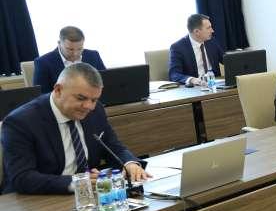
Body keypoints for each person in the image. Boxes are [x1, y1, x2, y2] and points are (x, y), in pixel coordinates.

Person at [1, 62, 149, 195]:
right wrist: (77, 182)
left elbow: (113, 146)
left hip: (87, 196)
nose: (89, 106)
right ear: (58, 90)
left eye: (94, 99)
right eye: (81, 98)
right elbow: (22, 178)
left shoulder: (95, 110)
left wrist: (129, 163)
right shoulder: (20, 122)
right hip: (35, 200)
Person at [32, 26, 106, 93]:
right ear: (59, 43)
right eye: (70, 49)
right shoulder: (43, 62)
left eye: (80, 49)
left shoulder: (93, 55)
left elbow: (105, 82)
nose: (75, 53)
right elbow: (41, 94)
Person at [169, 14, 226, 87]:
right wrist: (192, 80)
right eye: (208, 28)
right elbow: (174, 74)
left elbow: (225, 60)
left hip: (216, 85)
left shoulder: (212, 41)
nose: (212, 30)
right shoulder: (177, 47)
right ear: (196, 31)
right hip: (195, 87)